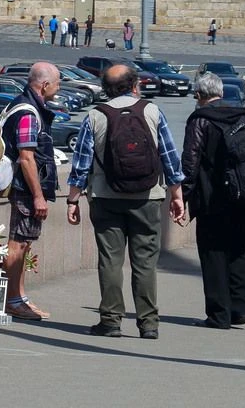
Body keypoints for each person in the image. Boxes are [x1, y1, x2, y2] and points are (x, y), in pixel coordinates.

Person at [64, 62, 187, 340]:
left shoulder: (95, 116)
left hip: (106, 197)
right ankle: (148, 323)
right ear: (135, 85)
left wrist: (73, 200)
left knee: (110, 260)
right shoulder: (152, 111)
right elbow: (169, 157)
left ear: (106, 89)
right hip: (147, 197)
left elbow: (81, 164)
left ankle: (110, 321)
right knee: (145, 262)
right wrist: (177, 195)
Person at [180, 72, 245, 329]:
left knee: (213, 255)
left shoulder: (200, 120)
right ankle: (240, 309)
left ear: (199, 95)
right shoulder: (244, 116)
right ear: (221, 92)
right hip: (242, 197)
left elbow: (190, 162)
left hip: (212, 200)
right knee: (240, 252)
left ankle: (219, 315)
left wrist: (182, 197)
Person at [0, 62, 62, 322]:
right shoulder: (28, 112)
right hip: (24, 188)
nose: (58, 88)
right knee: (17, 243)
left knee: (24, 244)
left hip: (25, 187)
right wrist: (38, 196)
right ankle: (12, 300)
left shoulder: (25, 105)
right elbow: (26, 158)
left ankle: (20, 297)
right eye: (57, 84)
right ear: (45, 85)